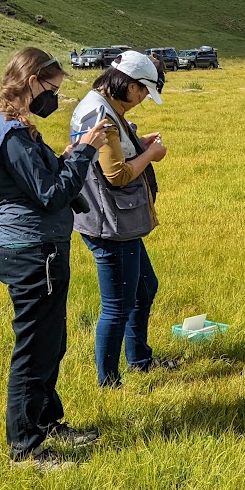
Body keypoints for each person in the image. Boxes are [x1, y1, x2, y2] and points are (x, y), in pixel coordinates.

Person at [0, 47, 109, 470]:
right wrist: (85, 153)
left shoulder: (4, 126)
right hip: (32, 252)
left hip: (34, 249)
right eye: (52, 89)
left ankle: (47, 423)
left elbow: (38, 182)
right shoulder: (11, 134)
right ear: (32, 83)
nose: (56, 99)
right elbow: (51, 195)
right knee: (33, 349)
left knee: (51, 342)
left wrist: (68, 154)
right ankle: (25, 450)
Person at [70, 51, 170, 387]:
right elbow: (117, 175)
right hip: (110, 225)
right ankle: (109, 383)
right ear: (125, 83)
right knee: (117, 306)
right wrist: (151, 154)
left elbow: (109, 155)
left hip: (118, 222)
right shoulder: (103, 114)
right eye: (142, 91)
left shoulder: (105, 106)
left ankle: (140, 360)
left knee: (144, 290)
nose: (142, 99)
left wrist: (138, 143)